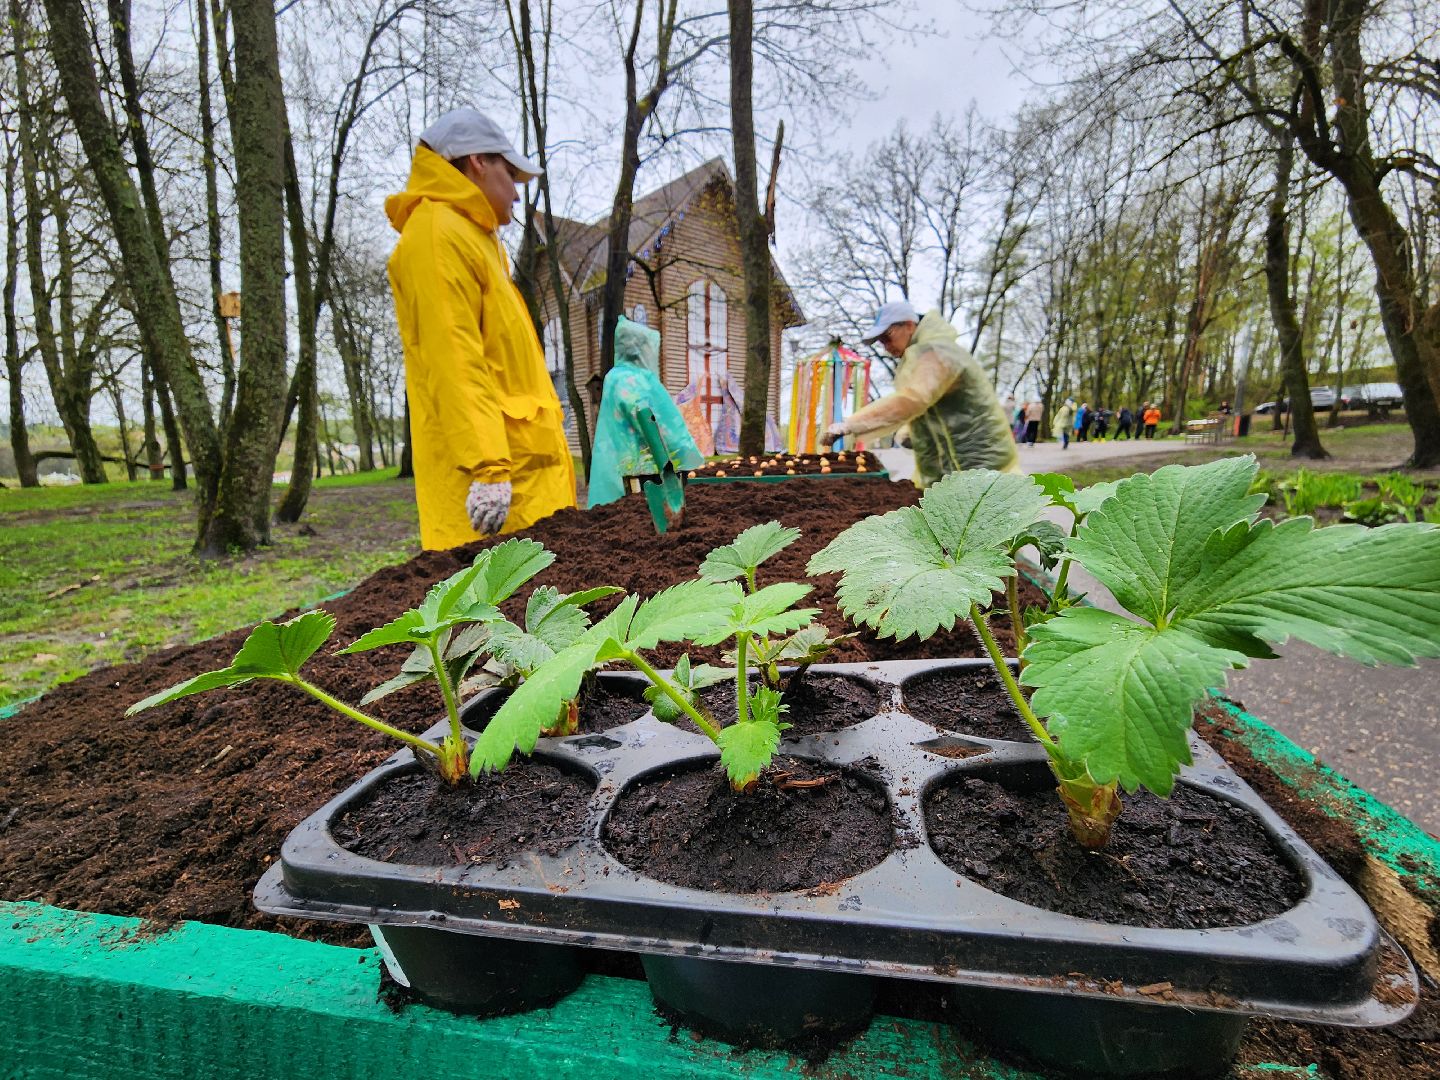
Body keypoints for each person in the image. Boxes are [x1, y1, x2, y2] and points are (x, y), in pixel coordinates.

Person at [385, 107, 575, 550]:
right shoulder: (437, 236)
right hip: (503, 491)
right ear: (478, 162)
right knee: (501, 593)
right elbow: (453, 358)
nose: (516, 193)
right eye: (511, 174)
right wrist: (488, 468)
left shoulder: (474, 239)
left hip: (525, 485)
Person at [825, 300, 1020, 483]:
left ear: (909, 325)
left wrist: (852, 424)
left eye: (887, 337)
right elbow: (932, 406)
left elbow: (914, 399)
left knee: (981, 506)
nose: (886, 347)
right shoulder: (922, 354)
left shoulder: (937, 352)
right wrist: (909, 432)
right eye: (881, 342)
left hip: (979, 466)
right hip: (956, 470)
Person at [587, 316, 703, 507]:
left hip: (619, 460)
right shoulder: (633, 379)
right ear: (638, 349)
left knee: (619, 510)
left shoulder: (615, 376)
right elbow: (649, 419)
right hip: (640, 467)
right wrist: (683, 452)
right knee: (640, 508)